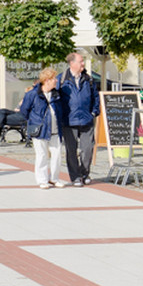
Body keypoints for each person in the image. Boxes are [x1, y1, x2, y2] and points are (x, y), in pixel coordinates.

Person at [19, 68, 68, 189]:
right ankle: (42, 180)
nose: (56, 81)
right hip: (39, 130)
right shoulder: (33, 94)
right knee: (42, 155)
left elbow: (60, 110)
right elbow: (24, 110)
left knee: (57, 155)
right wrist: (33, 121)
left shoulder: (56, 94)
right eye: (54, 78)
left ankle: (54, 178)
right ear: (47, 80)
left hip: (55, 129)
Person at [59, 52, 100, 186]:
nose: (83, 64)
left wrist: (94, 112)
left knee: (87, 149)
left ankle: (84, 173)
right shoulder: (62, 79)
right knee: (71, 150)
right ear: (72, 63)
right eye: (81, 61)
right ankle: (75, 176)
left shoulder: (89, 79)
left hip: (86, 120)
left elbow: (96, 97)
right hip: (69, 121)